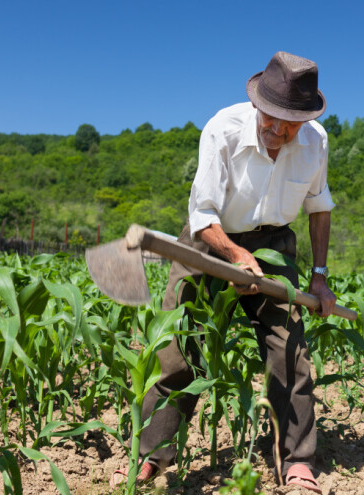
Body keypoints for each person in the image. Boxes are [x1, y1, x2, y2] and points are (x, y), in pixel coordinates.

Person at [110, 51, 335, 494]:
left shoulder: (316, 143)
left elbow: (319, 208)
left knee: (289, 350)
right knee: (179, 351)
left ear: (305, 120)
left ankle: (297, 462)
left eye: (288, 122)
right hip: (209, 242)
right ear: (258, 104)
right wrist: (233, 255)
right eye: (270, 117)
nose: (276, 129)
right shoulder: (222, 129)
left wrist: (320, 274)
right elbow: (203, 212)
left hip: (273, 246)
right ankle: (149, 457)